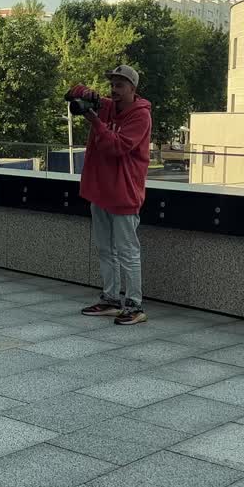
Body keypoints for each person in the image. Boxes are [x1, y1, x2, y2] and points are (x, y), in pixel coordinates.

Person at [68, 65, 152, 326]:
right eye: (112, 85)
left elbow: (118, 147)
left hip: (124, 192)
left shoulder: (140, 117)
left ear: (132, 89)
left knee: (127, 252)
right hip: (101, 190)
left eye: (120, 85)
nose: (114, 90)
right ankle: (111, 299)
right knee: (106, 249)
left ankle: (135, 305)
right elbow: (70, 93)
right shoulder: (106, 106)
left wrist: (94, 119)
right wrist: (87, 93)